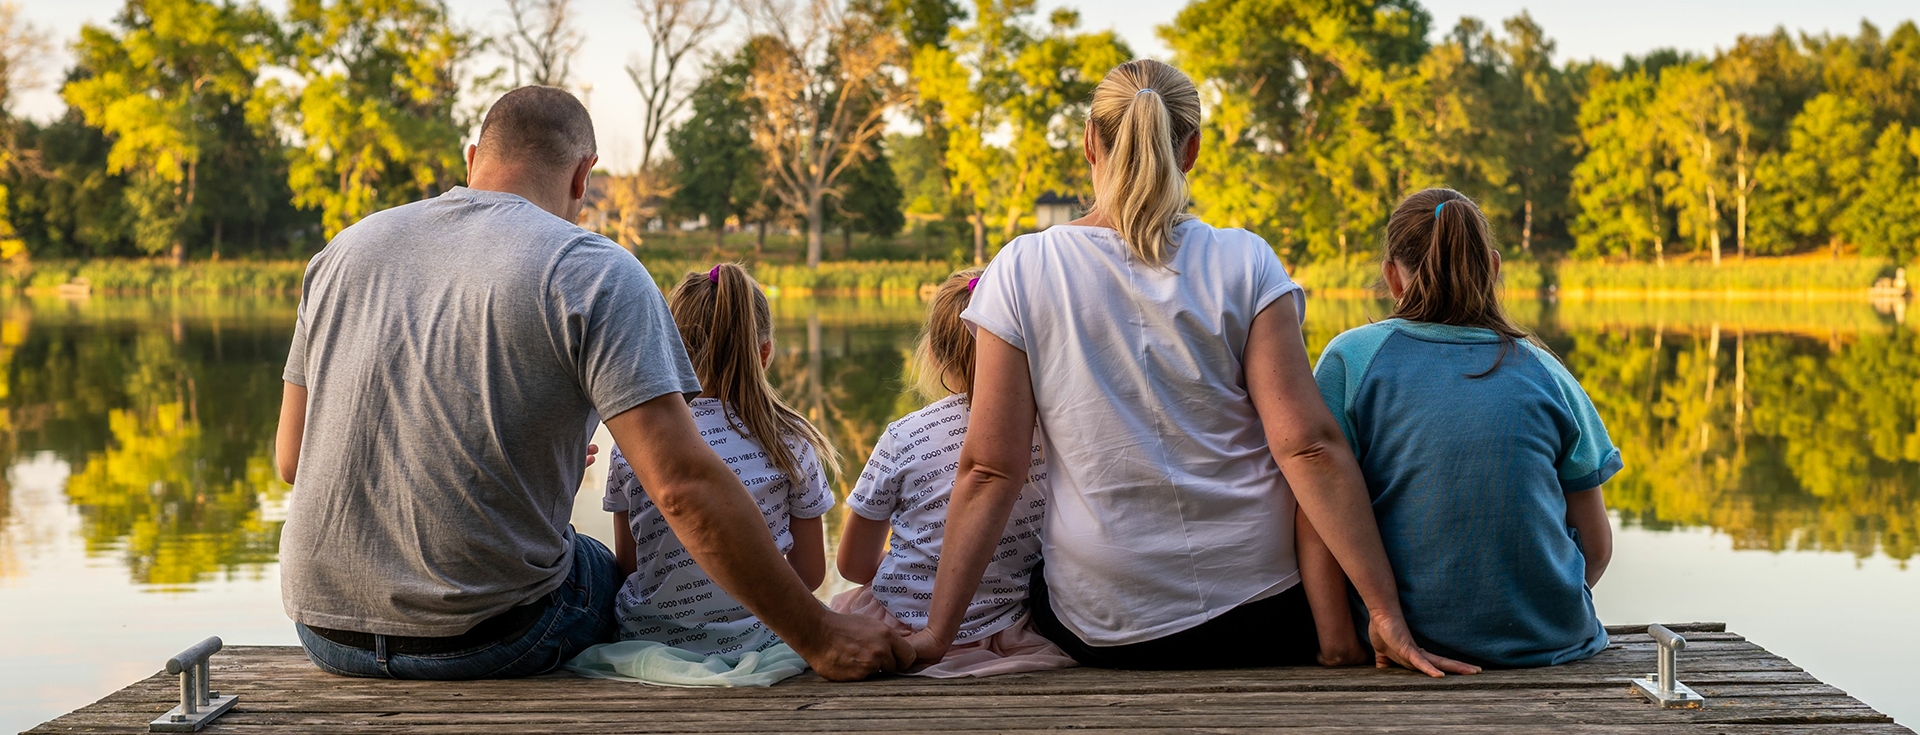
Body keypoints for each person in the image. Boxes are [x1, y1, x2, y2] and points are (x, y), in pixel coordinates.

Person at [273, 85, 909, 681]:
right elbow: (682, 487)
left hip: (327, 631)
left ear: (472, 159)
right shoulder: (590, 268)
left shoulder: (340, 254)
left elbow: (291, 460)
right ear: (584, 174)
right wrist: (821, 635)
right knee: (610, 574)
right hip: (492, 638)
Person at [905, 59, 1477, 675]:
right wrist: (1384, 614)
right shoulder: (1245, 260)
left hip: (1103, 626)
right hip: (1264, 611)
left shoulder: (1021, 268)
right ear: (1193, 148)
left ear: (1090, 143)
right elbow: (1308, 448)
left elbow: (991, 467)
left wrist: (936, 636)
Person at [1308, 189, 1618, 668]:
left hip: (1407, 642)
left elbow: (1317, 500)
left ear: (1392, 275)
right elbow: (1596, 548)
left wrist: (1337, 648)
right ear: (1493, 269)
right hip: (1553, 642)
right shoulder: (1547, 371)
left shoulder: (1352, 360)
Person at [566, 264, 838, 687]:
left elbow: (630, 565)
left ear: (668, 350)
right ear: (764, 354)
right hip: (760, 639)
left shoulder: (635, 445)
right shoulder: (793, 443)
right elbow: (810, 574)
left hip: (651, 639)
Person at [832, 269, 1077, 678]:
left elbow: (854, 565)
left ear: (932, 354)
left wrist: (919, 572)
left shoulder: (904, 436)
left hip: (899, 626)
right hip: (1012, 628)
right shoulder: (1054, 434)